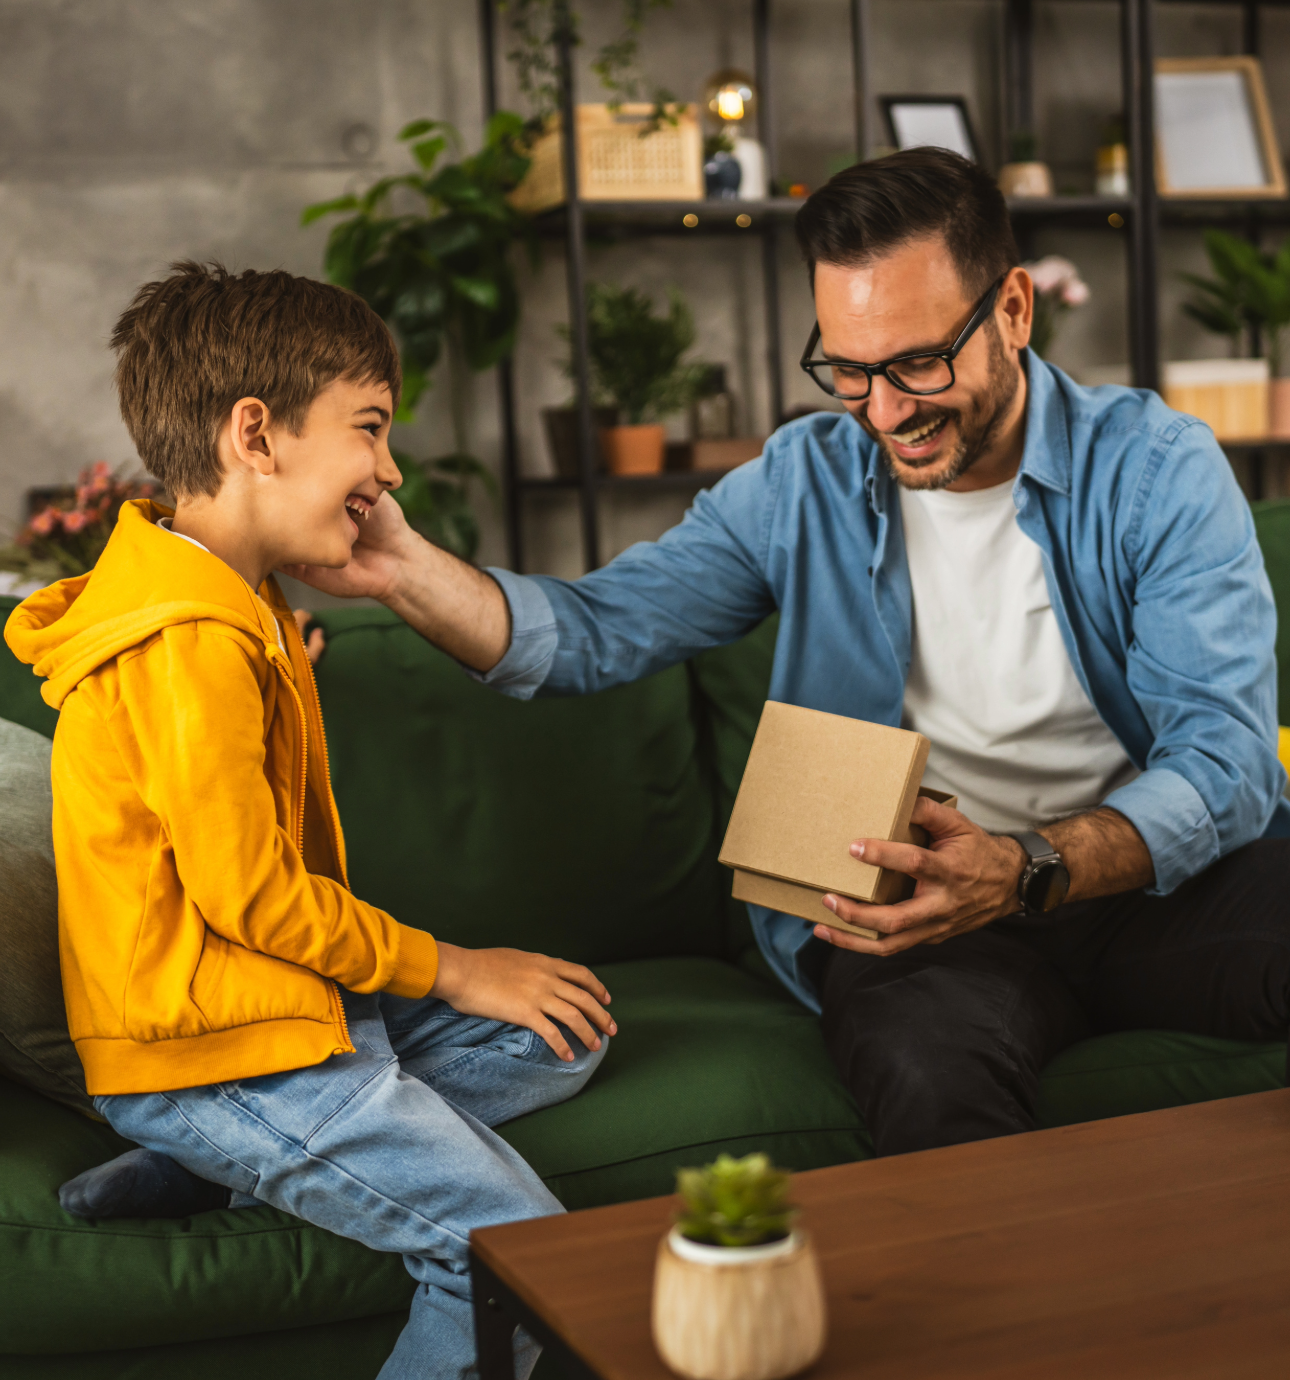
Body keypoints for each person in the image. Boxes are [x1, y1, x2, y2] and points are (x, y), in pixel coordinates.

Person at [288, 148, 1290, 1157]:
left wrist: (1030, 865)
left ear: (1015, 311)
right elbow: (593, 631)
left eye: (917, 364)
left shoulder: (1157, 470)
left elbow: (1227, 765)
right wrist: (401, 567)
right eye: (849, 371)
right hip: (906, 912)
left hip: (1144, 887)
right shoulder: (803, 483)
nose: (885, 412)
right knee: (926, 1075)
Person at [4, 262, 616, 1380]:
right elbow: (254, 898)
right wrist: (455, 968)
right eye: (370, 429)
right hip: (214, 1054)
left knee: (563, 1033)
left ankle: (220, 1169)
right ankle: (234, 1142)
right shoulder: (193, 641)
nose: (387, 470)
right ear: (256, 434)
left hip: (273, 1013)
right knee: (526, 1258)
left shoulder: (228, 610)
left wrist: (282, 651)